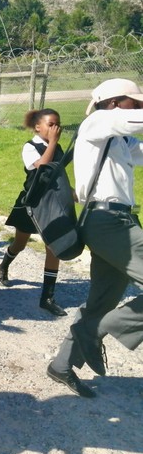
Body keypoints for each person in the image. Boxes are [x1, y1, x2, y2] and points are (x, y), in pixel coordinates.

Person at [47, 78, 143, 399]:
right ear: (114, 102)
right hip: (107, 222)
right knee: (101, 312)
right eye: (136, 102)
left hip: (116, 221)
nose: (139, 107)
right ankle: (97, 330)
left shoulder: (117, 139)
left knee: (102, 301)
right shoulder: (97, 122)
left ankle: (63, 363)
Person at [0, 108, 68, 317]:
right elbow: (41, 167)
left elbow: (59, 174)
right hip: (31, 204)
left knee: (52, 247)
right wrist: (53, 143)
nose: (56, 129)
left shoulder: (59, 147)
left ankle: (47, 297)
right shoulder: (30, 146)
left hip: (52, 203)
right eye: (51, 124)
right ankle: (4, 264)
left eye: (58, 124)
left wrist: (72, 194)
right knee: (20, 243)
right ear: (38, 127)